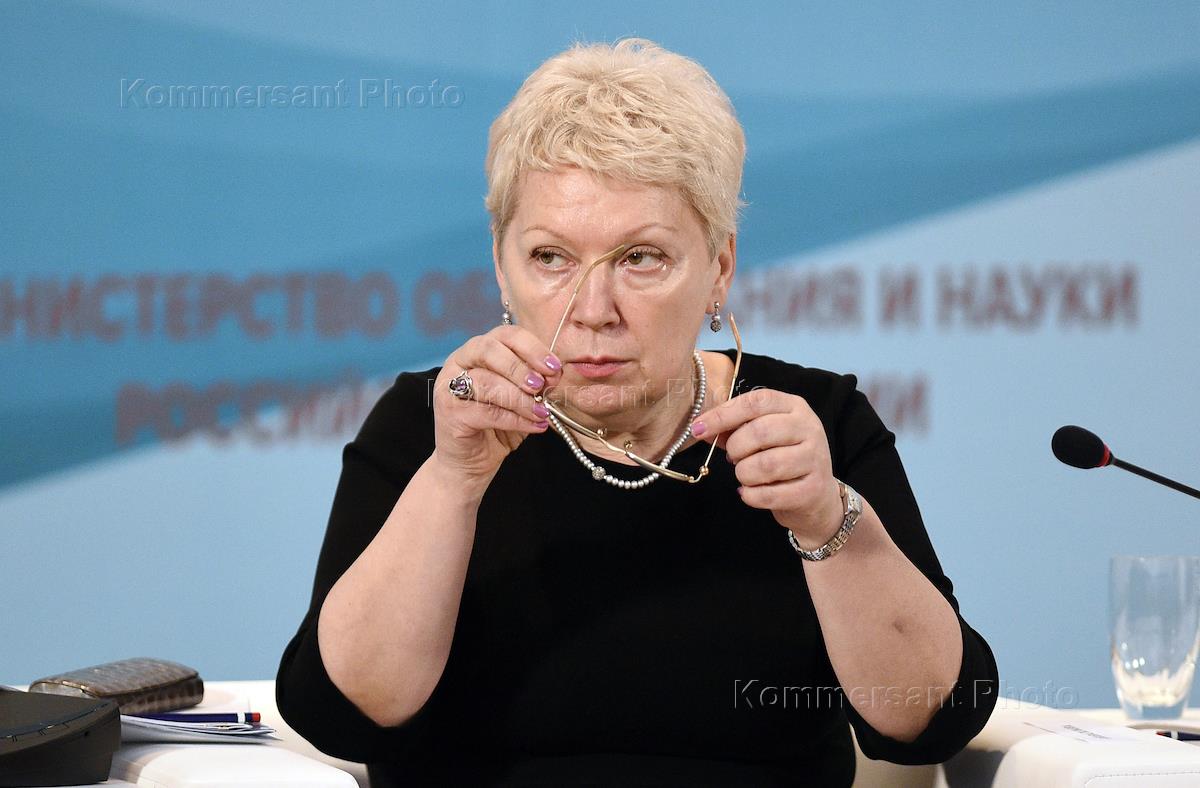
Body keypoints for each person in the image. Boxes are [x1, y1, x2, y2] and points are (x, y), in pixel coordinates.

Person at [276, 38, 998, 786]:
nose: (595, 309)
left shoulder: (814, 426)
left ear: (719, 268)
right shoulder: (431, 424)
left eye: (640, 258)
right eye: (550, 257)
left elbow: (932, 720)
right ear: (500, 266)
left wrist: (825, 520)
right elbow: (340, 715)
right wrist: (454, 481)